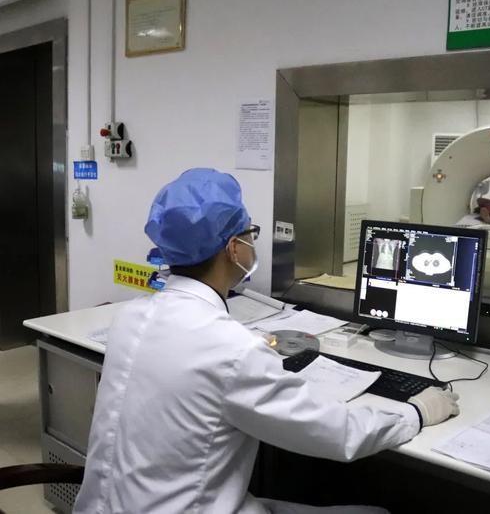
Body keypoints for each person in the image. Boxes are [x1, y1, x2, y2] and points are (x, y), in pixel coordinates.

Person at [73, 168, 460, 514]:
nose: (251, 243)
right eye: (249, 234)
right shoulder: (230, 349)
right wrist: (417, 412)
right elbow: (338, 434)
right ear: (233, 248)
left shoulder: (128, 319)